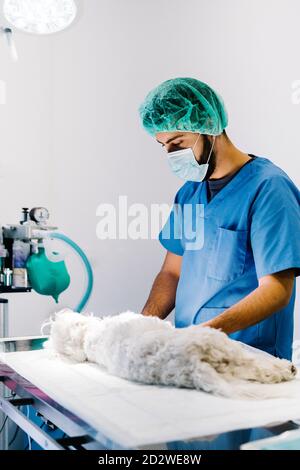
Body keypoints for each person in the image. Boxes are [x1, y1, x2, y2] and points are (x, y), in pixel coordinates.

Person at [139, 77, 300, 360]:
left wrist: (206, 335)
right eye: (163, 145)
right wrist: (140, 328)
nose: (170, 154)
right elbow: (171, 272)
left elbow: (277, 289)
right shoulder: (189, 193)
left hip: (250, 358)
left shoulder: (268, 188)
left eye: (177, 143)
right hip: (192, 357)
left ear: (209, 128)